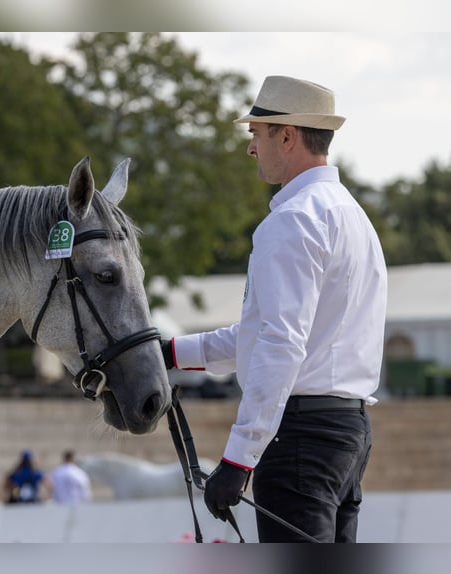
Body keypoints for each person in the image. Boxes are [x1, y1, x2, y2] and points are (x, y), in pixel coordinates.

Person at [160, 75, 387, 543]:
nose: (251, 149)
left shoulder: (292, 220)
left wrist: (238, 458)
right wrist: (169, 353)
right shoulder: (353, 217)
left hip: (300, 436)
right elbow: (264, 335)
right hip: (348, 428)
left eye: (256, 135)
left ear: (287, 135)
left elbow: (281, 344)